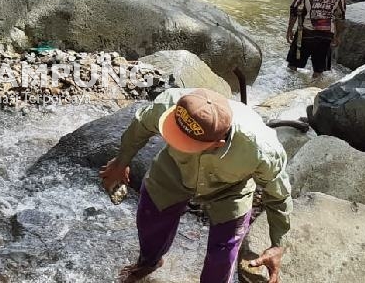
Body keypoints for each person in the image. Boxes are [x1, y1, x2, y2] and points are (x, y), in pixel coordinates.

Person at [100, 87, 291, 283]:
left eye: (186, 144)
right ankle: (149, 263)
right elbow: (140, 126)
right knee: (150, 223)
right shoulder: (167, 106)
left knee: (222, 257)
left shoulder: (261, 150)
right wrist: (120, 163)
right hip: (173, 170)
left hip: (230, 189)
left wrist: (278, 244)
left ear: (218, 142)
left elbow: (279, 196)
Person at [286, 0, 345, 78]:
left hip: (305, 33)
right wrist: (338, 35)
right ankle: (315, 93)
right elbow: (341, 15)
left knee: (292, 66)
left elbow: (295, 8)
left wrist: (290, 29)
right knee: (319, 71)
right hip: (326, 34)